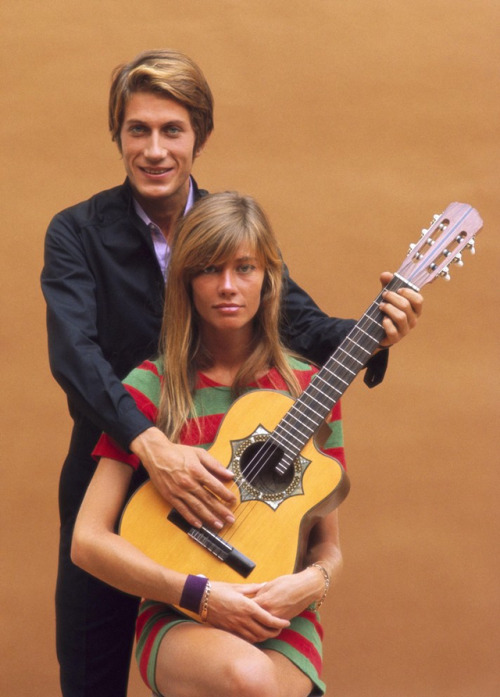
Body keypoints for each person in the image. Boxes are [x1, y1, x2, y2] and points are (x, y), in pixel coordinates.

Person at [41, 49, 422, 697]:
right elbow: (75, 354)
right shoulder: (76, 232)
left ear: (201, 136)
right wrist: (150, 442)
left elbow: (304, 327)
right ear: (118, 135)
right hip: (118, 461)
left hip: (233, 486)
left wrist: (379, 324)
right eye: (139, 129)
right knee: (92, 672)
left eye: (173, 130)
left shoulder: (231, 231)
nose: (155, 149)